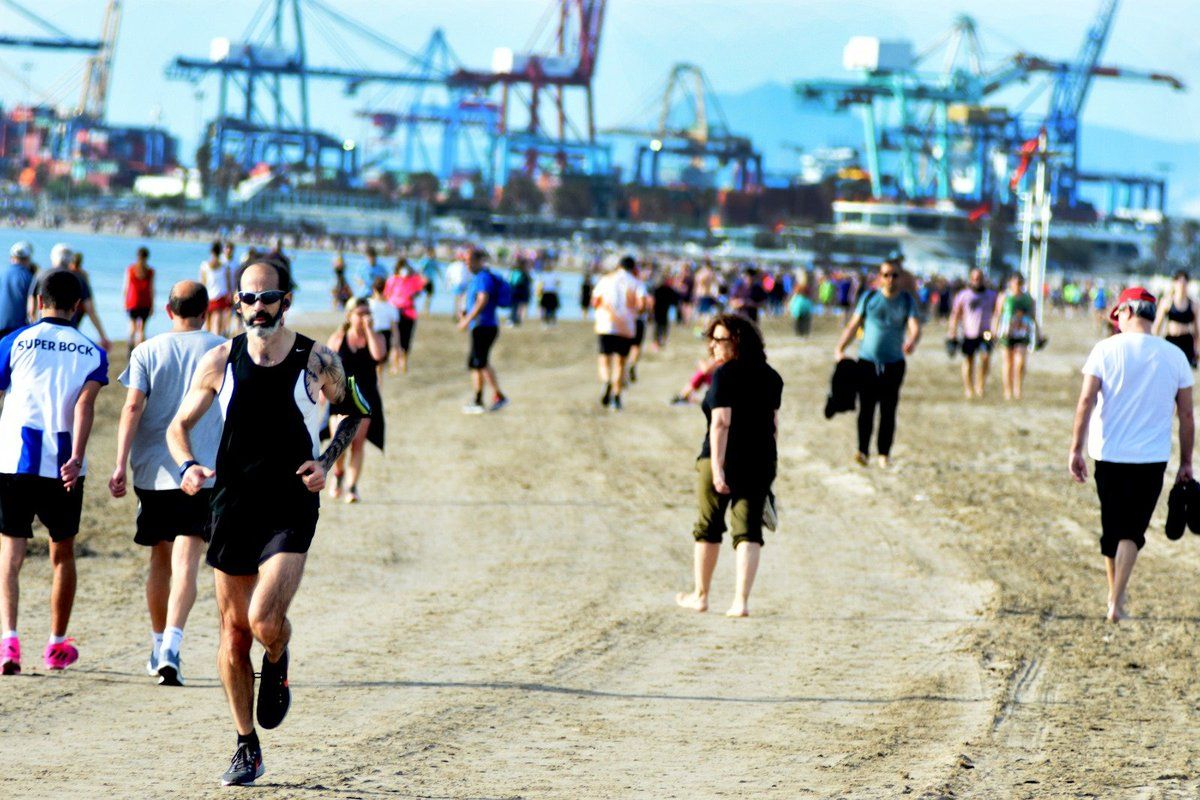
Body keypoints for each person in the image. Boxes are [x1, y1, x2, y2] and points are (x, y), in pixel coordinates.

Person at [166, 257, 370, 786]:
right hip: (232, 504)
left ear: (286, 301)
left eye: (269, 297)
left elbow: (356, 409)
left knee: (262, 621)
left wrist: (326, 463)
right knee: (233, 636)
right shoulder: (219, 359)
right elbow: (177, 426)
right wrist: (187, 465)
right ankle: (245, 745)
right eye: (250, 298)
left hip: (290, 503)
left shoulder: (317, 359)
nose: (259, 307)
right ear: (236, 303)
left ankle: (278, 653)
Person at [109, 281, 224, 685]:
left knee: (160, 560)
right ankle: (172, 645)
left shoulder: (147, 350)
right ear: (206, 310)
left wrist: (120, 463)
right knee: (187, 561)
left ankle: (159, 644)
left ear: (168, 310)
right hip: (203, 468)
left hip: (154, 471)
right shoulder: (222, 349)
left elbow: (132, 406)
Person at [0, 269, 108, 675]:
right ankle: (56, 646)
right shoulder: (92, 351)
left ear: (37, 302)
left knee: (10, 554)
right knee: (61, 554)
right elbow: (84, 407)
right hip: (64, 464)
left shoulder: (14, 341)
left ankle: (8, 643)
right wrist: (77, 458)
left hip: (13, 460)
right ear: (78, 307)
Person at [1069, 286, 1193, 623]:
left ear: (1126, 312)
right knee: (1130, 533)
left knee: (1114, 530)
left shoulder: (1104, 350)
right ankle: (1116, 599)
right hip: (1150, 457)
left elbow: (1086, 401)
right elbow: (1186, 415)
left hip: (1107, 452)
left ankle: (1116, 598)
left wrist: (1075, 448)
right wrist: (1186, 462)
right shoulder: (1174, 356)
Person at [676, 314, 782, 618]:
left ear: (736, 340)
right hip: (760, 460)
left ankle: (701, 596)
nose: (713, 345)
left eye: (719, 339)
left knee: (708, 527)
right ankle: (740, 602)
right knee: (748, 531)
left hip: (718, 458)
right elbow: (773, 425)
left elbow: (721, 422)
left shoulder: (724, 375)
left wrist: (720, 469)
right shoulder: (772, 376)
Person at [834, 261, 921, 468]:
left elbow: (915, 327)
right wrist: (840, 349)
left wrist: (912, 341)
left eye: (894, 275)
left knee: (888, 410)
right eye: (886, 275)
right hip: (867, 362)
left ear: (900, 278)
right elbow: (853, 326)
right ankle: (862, 451)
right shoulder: (869, 298)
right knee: (866, 408)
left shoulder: (906, 301)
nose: (890, 279)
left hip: (894, 364)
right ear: (880, 277)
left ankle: (884, 453)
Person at [327, 298, 386, 503]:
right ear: (349, 315)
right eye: (360, 313)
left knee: (358, 444)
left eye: (367, 312)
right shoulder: (338, 338)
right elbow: (326, 367)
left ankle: (352, 487)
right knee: (340, 443)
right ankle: (339, 474)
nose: (364, 317)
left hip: (365, 398)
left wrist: (369, 330)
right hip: (341, 398)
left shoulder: (376, 337)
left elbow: (378, 356)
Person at [457, 248, 508, 414]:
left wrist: (467, 319)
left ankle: (483, 399)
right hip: (482, 326)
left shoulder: (483, 277)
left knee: (479, 363)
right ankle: (489, 397)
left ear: (479, 260)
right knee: (478, 363)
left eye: (469, 260)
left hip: (484, 326)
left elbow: (482, 299)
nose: (466, 264)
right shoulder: (479, 277)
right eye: (465, 261)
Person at [592, 256, 643, 411]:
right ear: (633, 268)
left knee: (604, 359)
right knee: (620, 363)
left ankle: (607, 381)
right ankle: (616, 396)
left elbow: (595, 302)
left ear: (618, 266)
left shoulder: (605, 280)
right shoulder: (635, 282)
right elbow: (641, 306)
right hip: (626, 327)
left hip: (606, 325)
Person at [948, 268, 998, 398]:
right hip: (969, 332)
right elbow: (955, 314)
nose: (977, 281)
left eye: (980, 278)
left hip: (986, 332)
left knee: (986, 357)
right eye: (975, 278)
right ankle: (968, 387)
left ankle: (980, 385)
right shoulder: (963, 295)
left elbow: (997, 313)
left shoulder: (991, 295)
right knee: (969, 360)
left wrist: (995, 329)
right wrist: (952, 332)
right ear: (971, 279)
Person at [993, 273, 1040, 401]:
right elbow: (997, 314)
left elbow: (1033, 317)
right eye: (1015, 282)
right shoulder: (1004, 297)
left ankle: (1017, 388)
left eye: (1020, 282)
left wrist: (1038, 334)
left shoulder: (1028, 298)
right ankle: (1007, 390)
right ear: (1010, 283)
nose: (1017, 285)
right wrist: (994, 332)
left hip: (1022, 332)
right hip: (1007, 332)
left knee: (1020, 362)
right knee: (1007, 362)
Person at [383, 258, 427, 375]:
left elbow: (425, 282)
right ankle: (394, 365)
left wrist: (414, 271)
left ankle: (403, 364)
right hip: (394, 312)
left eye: (406, 266)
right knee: (394, 340)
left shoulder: (413, 279)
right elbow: (386, 296)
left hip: (409, 313)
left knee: (406, 341)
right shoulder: (392, 280)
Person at [1153, 270, 1199, 368]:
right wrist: (1154, 343)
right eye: (1179, 282)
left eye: (1184, 282)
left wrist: (1197, 348)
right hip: (1171, 340)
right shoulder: (1167, 302)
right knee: (1170, 370)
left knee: (1185, 373)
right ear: (1174, 283)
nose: (1182, 285)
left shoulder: (1194, 304)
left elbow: (1197, 329)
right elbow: (1158, 325)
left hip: (1186, 341)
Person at [66, 252, 111, 351]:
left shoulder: (66, 274)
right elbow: (90, 309)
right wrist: (102, 335)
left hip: (68, 312)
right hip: (77, 312)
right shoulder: (82, 276)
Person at [124, 246, 155, 353]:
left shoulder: (131, 269)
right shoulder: (150, 271)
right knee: (142, 330)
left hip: (133, 301)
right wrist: (152, 305)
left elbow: (126, 287)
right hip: (145, 302)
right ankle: (138, 352)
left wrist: (125, 301)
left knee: (132, 327)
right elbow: (152, 289)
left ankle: (130, 349)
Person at [0, 242, 34, 338]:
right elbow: (31, 306)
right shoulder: (28, 277)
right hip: (18, 328)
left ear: (12, 258)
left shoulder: (3, 274)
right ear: (27, 259)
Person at [367, 277, 399, 380]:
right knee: (380, 368)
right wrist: (397, 345)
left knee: (368, 366)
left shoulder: (367, 304)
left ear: (374, 289)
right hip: (385, 337)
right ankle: (377, 391)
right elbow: (395, 329)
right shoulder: (391, 307)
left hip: (371, 335)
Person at [200, 241, 233, 335]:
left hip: (208, 297)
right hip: (221, 297)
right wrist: (230, 297)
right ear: (220, 252)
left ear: (211, 251)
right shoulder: (225, 266)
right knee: (218, 327)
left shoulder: (204, 266)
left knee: (208, 326)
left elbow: (202, 284)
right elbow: (228, 284)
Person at [536, 261, 562, 326]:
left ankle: (551, 321)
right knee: (546, 309)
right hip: (547, 293)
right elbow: (540, 285)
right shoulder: (543, 275)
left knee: (552, 309)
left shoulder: (554, 274)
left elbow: (558, 283)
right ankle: (546, 321)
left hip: (551, 293)